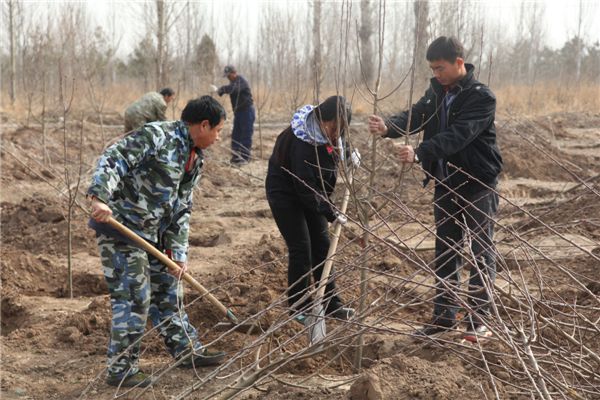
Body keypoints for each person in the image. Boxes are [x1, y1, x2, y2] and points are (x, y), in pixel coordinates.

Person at [368, 36, 502, 342]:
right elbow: (416, 115)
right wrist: (388, 126)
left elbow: (459, 135)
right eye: (432, 68)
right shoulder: (436, 91)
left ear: (458, 63)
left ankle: (477, 322)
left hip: (478, 183)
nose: (436, 73)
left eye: (440, 67)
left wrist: (420, 152)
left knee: (480, 251)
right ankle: (443, 319)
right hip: (446, 182)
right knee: (446, 251)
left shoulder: (482, 97)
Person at [87, 96, 227, 388]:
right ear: (204, 125)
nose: (219, 136)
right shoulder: (157, 136)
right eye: (218, 130)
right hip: (121, 229)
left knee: (169, 291)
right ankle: (122, 369)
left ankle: (186, 349)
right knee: (135, 295)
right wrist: (98, 196)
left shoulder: (194, 158)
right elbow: (115, 157)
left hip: (155, 235)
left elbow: (182, 208)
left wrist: (177, 252)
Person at [265, 95, 357, 324]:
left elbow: (341, 144)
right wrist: (331, 212)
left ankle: (331, 304)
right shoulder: (303, 142)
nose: (336, 134)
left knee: (323, 246)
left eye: (341, 129)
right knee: (302, 249)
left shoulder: (334, 132)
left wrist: (349, 155)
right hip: (287, 193)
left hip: (314, 193)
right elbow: (305, 187)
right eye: (333, 127)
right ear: (321, 118)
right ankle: (299, 307)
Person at [217, 65, 255, 166]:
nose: (228, 78)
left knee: (245, 135)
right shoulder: (232, 83)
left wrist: (222, 89)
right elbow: (230, 88)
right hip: (238, 113)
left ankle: (244, 158)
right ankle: (235, 156)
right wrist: (219, 91)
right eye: (227, 77)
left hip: (247, 111)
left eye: (229, 76)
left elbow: (234, 89)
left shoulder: (241, 81)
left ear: (234, 73)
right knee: (236, 135)